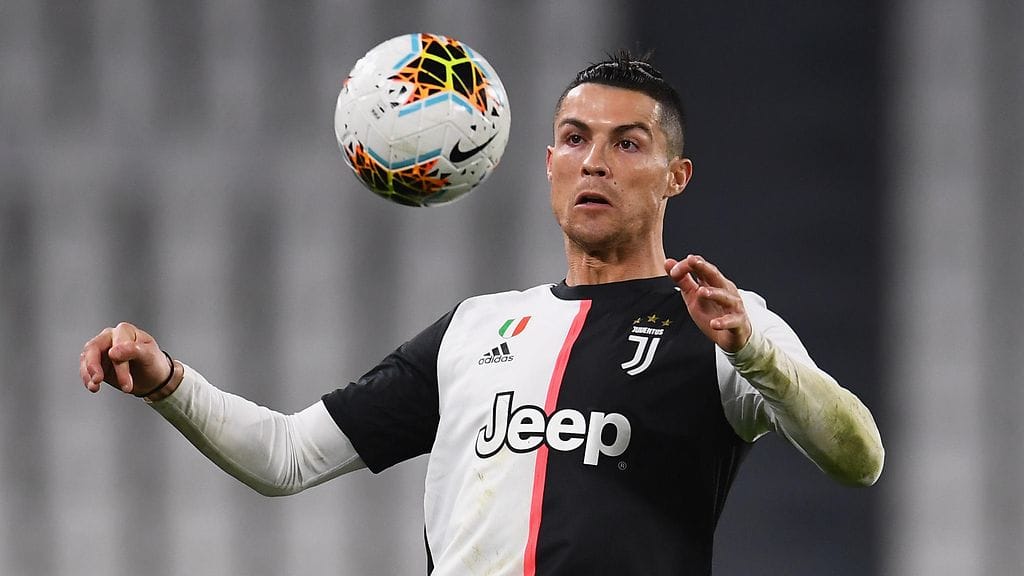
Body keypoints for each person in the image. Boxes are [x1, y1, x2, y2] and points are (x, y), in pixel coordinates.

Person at [79, 52, 884, 575]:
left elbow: (859, 458)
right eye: (574, 138)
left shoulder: (722, 325)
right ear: (547, 161)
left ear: (677, 176)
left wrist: (753, 352)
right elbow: (285, 457)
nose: (594, 162)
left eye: (628, 143)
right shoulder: (474, 330)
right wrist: (168, 381)